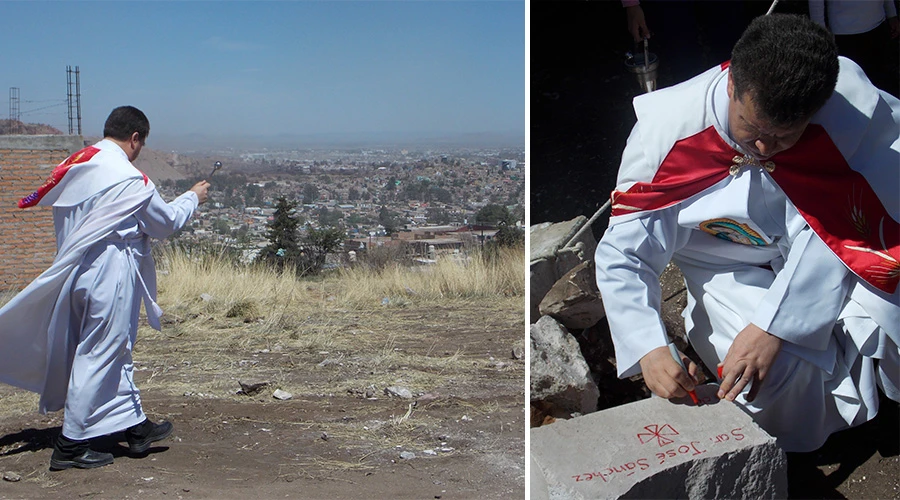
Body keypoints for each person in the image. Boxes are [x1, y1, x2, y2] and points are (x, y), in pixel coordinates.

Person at [594, 14, 899, 452]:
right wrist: (648, 346)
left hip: (834, 253)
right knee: (761, 376)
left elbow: (860, 218)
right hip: (725, 262)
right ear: (733, 84)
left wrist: (776, 325)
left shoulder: (846, 110)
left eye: (784, 137)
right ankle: (803, 445)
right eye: (753, 129)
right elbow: (625, 253)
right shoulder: (667, 133)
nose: (763, 150)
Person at [0, 106, 210, 470]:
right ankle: (71, 444)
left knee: (114, 350)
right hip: (110, 273)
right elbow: (164, 224)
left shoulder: (77, 163)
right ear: (135, 139)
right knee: (100, 353)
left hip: (77, 271)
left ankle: (135, 427)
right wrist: (192, 197)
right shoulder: (128, 178)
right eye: (140, 144)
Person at [809, 0, 900, 97]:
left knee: (882, 86)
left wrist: (892, 14)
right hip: (845, 35)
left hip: (878, 27)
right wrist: (821, 32)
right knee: (852, 91)